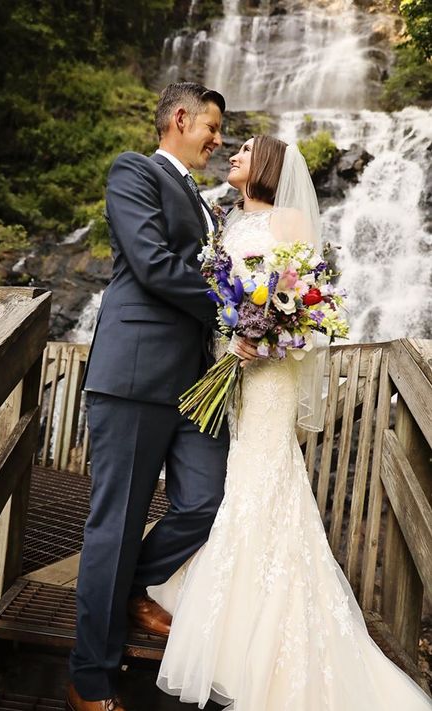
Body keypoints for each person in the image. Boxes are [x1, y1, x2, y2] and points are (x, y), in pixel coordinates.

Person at [151, 136, 432, 710]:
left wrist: (263, 336)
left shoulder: (290, 219)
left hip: (268, 375)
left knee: (262, 474)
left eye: (246, 149)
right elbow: (221, 297)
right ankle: (237, 601)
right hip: (231, 366)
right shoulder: (225, 221)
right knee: (239, 478)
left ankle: (261, 625)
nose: (232, 152)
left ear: (269, 165)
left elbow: (307, 304)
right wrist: (237, 336)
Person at [66, 82, 230, 711]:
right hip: (135, 374)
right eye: (212, 128)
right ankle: (91, 678)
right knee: (117, 521)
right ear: (180, 119)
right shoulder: (133, 171)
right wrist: (238, 309)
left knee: (206, 498)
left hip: (194, 383)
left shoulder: (209, 202)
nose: (218, 141)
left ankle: (130, 584)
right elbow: (154, 264)